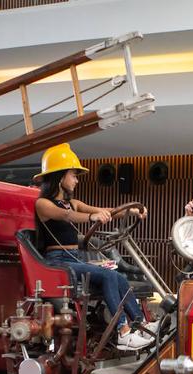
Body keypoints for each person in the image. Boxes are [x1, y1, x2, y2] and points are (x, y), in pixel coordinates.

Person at [34, 143, 155, 351]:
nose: (77, 180)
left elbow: (107, 211)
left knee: (118, 276)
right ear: (60, 176)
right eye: (73, 175)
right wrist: (92, 217)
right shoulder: (43, 204)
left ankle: (141, 324)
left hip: (73, 258)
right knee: (107, 275)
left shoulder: (73, 202)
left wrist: (133, 210)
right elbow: (66, 216)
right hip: (57, 262)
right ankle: (123, 332)